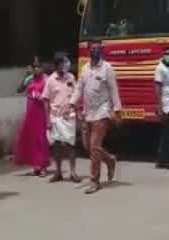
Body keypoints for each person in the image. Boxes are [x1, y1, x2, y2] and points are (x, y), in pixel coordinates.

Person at [71, 40, 121, 194]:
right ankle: (109, 160)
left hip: (102, 111)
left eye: (98, 49)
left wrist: (117, 110)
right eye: (93, 48)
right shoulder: (85, 68)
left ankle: (94, 180)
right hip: (88, 112)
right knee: (88, 146)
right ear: (88, 50)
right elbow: (79, 88)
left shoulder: (107, 68)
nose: (95, 51)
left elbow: (113, 89)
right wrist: (72, 102)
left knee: (94, 146)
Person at [41, 52, 80, 183]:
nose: (65, 65)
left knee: (70, 145)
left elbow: (76, 94)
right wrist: (47, 120)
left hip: (68, 117)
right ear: (57, 65)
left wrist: (74, 108)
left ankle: (73, 172)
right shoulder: (50, 80)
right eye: (62, 63)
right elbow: (45, 100)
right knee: (56, 145)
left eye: (65, 62)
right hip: (55, 117)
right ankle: (58, 172)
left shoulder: (71, 78)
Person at [13, 58, 50, 176]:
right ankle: (36, 165)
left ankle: (43, 166)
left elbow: (50, 97)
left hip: (41, 113)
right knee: (31, 139)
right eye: (34, 67)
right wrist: (25, 76)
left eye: (38, 66)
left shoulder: (47, 80)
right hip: (30, 113)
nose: (36, 69)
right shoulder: (29, 78)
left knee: (41, 140)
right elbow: (19, 90)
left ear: (42, 68)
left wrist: (41, 97)